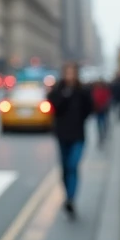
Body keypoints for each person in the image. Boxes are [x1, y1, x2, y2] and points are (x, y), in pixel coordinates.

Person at [48, 64, 93, 217]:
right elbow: (54, 106)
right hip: (62, 134)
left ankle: (71, 199)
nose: (70, 76)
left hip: (78, 134)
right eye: (67, 72)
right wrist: (65, 95)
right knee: (65, 168)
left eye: (72, 73)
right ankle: (67, 195)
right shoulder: (58, 90)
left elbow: (89, 109)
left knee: (73, 165)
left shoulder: (83, 91)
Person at [90, 79, 112, 147]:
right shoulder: (94, 91)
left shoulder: (105, 90)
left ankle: (104, 131)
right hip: (97, 110)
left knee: (104, 120)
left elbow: (108, 98)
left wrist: (105, 105)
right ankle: (101, 133)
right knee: (99, 122)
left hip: (103, 109)